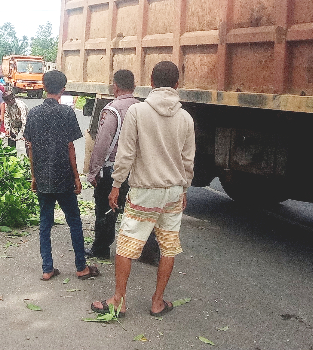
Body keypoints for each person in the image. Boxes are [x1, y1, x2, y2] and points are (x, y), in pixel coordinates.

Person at [91, 61, 194, 317]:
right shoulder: (186, 118)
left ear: (151, 82)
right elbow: (188, 160)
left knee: (126, 245)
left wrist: (115, 185)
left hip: (145, 191)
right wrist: (184, 189)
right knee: (168, 246)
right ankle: (157, 302)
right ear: (177, 84)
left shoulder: (138, 112)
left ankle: (119, 300)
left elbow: (126, 154)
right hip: (172, 192)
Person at [25, 70, 99, 281]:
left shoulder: (34, 113)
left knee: (45, 223)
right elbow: (70, 148)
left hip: (43, 177)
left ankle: (47, 268)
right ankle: (81, 267)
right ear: (63, 89)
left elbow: (30, 148)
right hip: (64, 176)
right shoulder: (67, 113)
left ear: (44, 86)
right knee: (74, 221)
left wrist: (34, 176)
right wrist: (77, 177)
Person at [85, 70, 139, 259]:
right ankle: (143, 251)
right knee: (137, 211)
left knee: (106, 209)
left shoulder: (112, 110)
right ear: (134, 86)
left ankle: (101, 249)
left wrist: (93, 172)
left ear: (115, 86)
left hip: (113, 170)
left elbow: (101, 144)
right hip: (136, 170)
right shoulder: (141, 108)